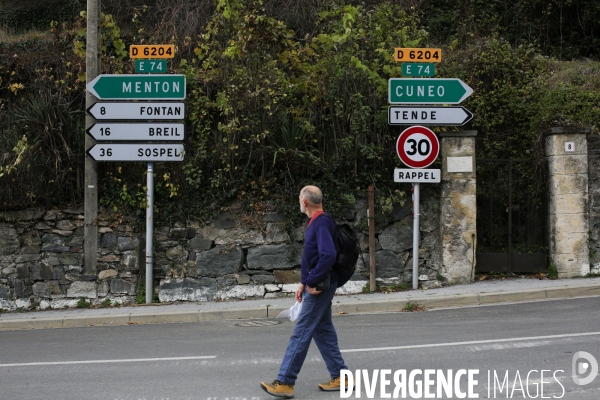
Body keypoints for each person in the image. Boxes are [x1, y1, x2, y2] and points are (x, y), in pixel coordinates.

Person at [260, 185, 349, 398]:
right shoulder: (318, 221)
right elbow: (316, 257)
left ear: (304, 202)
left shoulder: (320, 222)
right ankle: (341, 377)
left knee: (301, 333)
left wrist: (311, 282)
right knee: (322, 329)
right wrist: (303, 282)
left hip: (320, 286)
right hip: (319, 283)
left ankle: (285, 382)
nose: (299, 201)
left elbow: (327, 256)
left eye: (299, 198)